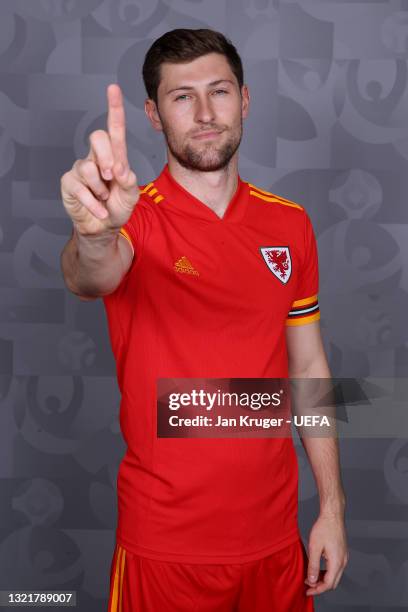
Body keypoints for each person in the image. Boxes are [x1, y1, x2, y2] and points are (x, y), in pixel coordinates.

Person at [60, 28, 348, 612]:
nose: (205, 112)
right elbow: (89, 276)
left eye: (218, 91)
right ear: (153, 113)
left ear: (245, 99)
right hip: (165, 549)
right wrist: (94, 235)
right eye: (181, 96)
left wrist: (332, 509)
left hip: (274, 544)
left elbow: (308, 366)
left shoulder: (289, 224)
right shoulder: (133, 220)